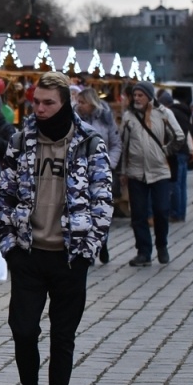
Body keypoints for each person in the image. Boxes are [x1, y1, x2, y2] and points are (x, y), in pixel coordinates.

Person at [0, 72, 113, 385]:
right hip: (29, 255)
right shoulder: (21, 141)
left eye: (49, 103)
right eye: (37, 102)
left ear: (66, 103)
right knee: (23, 330)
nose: (41, 109)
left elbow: (103, 199)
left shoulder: (89, 143)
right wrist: (10, 247)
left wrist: (87, 249)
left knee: (63, 336)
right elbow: (5, 194)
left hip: (69, 256)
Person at [117, 83, 184, 266]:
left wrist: (165, 152)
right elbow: (124, 146)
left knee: (161, 210)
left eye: (140, 95)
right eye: (135, 95)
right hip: (136, 172)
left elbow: (179, 137)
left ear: (149, 96)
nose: (137, 98)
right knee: (138, 214)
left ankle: (162, 245)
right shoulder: (129, 117)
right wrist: (123, 171)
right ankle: (143, 252)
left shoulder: (163, 114)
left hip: (159, 171)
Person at [74, 87, 120, 264]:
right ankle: (88, 248)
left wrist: (109, 163)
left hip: (102, 169)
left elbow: (116, 144)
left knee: (101, 208)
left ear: (92, 103)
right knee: (83, 209)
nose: (80, 105)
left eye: (83, 102)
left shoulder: (106, 118)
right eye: (78, 101)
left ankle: (103, 242)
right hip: (80, 170)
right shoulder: (74, 118)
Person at [157, 89, 193, 222]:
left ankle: (175, 212)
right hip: (184, 150)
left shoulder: (171, 114)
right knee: (182, 185)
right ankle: (181, 212)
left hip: (176, 152)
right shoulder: (183, 112)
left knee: (175, 184)